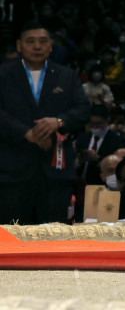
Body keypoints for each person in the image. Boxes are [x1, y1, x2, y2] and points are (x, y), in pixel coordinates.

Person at [0, 21, 91, 224]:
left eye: (43, 41)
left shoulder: (66, 76)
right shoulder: (4, 75)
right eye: (30, 41)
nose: (37, 47)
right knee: (13, 237)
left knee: (53, 236)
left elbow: (83, 110)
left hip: (56, 173)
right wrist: (26, 133)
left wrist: (58, 122)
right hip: (12, 170)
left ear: (51, 46)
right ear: (18, 45)